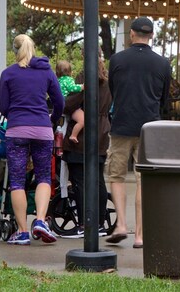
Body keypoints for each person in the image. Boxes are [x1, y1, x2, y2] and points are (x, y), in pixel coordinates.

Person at [105, 16, 172, 249]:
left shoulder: (117, 60)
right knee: (144, 180)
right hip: (149, 127)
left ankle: (121, 224)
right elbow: (164, 99)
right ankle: (140, 236)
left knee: (116, 176)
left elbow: (114, 90)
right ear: (151, 35)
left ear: (131, 34)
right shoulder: (163, 64)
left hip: (122, 125)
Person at [0, 33, 63, 245]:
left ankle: (23, 232)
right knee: (44, 176)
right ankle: (41, 221)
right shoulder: (47, 72)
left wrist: (16, 117)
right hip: (43, 130)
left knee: (17, 180)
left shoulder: (8, 74)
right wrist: (50, 120)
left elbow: (3, 107)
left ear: (15, 51)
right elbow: (59, 102)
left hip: (17, 129)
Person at [61, 56, 112, 238]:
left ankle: (84, 224)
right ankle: (99, 223)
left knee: (80, 181)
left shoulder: (84, 78)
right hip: (102, 134)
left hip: (82, 138)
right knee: (98, 180)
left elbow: (69, 104)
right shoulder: (108, 81)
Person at [56, 60, 86, 143]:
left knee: (62, 128)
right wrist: (81, 87)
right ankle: (73, 135)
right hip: (69, 104)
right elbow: (72, 88)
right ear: (70, 72)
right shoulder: (68, 79)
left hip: (60, 106)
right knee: (82, 121)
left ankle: (58, 143)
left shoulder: (58, 81)